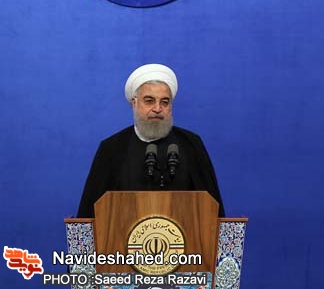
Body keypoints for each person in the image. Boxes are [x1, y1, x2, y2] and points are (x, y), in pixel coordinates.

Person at [77, 64, 224, 218]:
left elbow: (214, 212)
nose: (157, 109)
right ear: (134, 103)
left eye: (165, 102)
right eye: (149, 101)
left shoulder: (191, 144)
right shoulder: (112, 149)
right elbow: (88, 216)